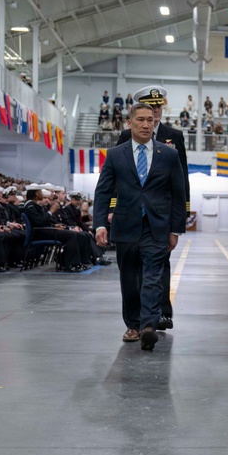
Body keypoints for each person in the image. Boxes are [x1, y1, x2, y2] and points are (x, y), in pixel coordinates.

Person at [94, 102, 187, 351]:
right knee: (129, 278)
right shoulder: (116, 154)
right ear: (130, 123)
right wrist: (100, 224)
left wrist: (175, 229)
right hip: (125, 225)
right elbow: (103, 191)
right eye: (140, 120)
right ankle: (132, 324)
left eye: (150, 120)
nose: (146, 124)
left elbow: (178, 194)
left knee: (153, 277)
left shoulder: (168, 154)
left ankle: (147, 325)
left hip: (157, 227)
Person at [115, 86, 191, 331]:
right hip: (132, 214)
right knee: (134, 270)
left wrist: (182, 214)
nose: (155, 112)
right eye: (151, 107)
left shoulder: (174, 135)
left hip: (162, 214)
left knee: (161, 265)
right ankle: (139, 317)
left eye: (158, 107)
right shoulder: (126, 136)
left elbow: (182, 178)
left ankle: (162, 313)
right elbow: (117, 177)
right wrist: (113, 208)